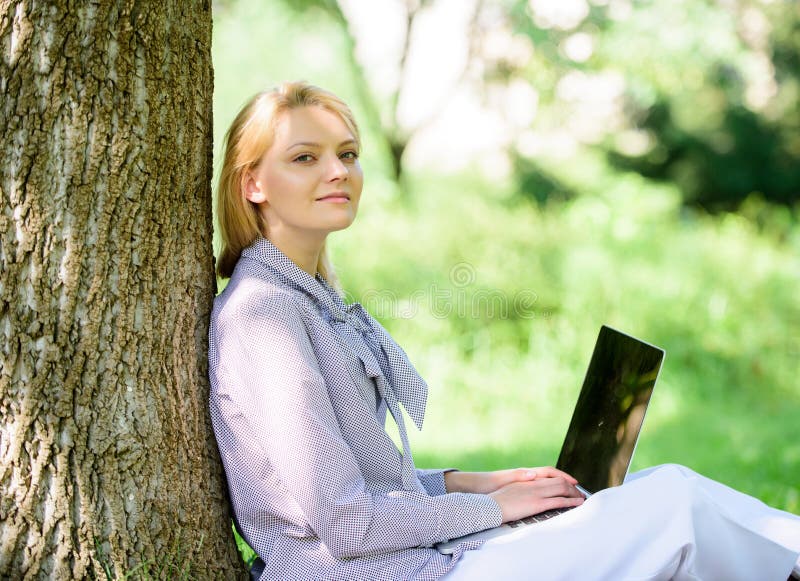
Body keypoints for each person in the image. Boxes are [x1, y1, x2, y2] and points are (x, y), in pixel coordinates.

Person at [208, 81, 800, 580]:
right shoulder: (264, 317)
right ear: (252, 183)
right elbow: (347, 522)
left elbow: (366, 483)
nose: (338, 171)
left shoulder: (312, 301)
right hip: (381, 574)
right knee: (673, 510)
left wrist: (480, 482)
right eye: (305, 157)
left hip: (421, 560)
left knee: (662, 484)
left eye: (348, 153)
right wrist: (492, 507)